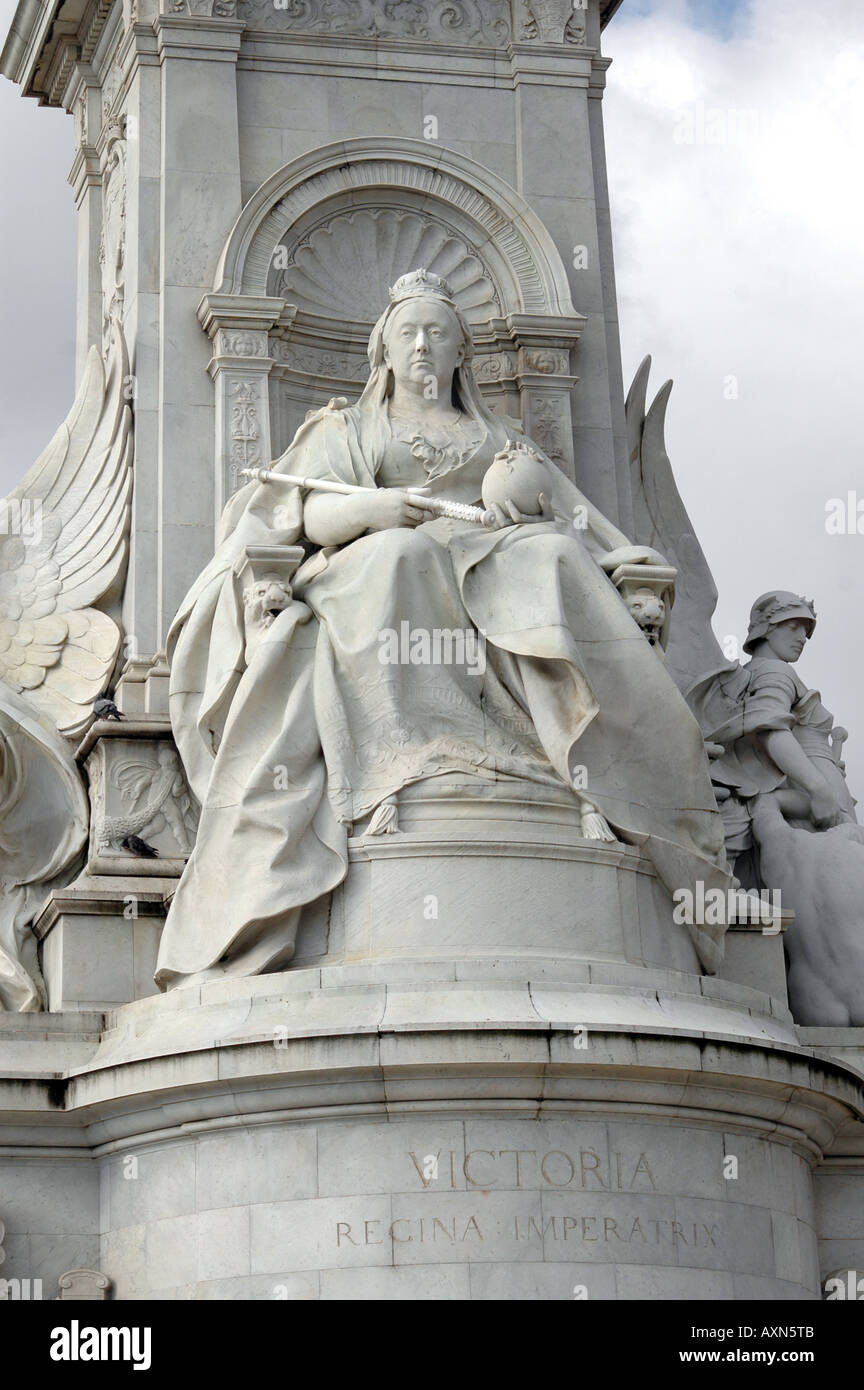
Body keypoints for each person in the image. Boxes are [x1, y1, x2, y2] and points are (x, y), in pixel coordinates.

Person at [155, 269, 734, 989]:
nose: (423, 346)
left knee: (552, 556)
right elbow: (303, 515)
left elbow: (575, 520)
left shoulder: (497, 437)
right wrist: (375, 510)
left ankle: (588, 771)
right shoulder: (347, 429)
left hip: (488, 557)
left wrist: (612, 550)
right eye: (409, 334)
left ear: (462, 352)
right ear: (384, 352)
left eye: (438, 334)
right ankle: (402, 769)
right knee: (402, 556)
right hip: (376, 562)